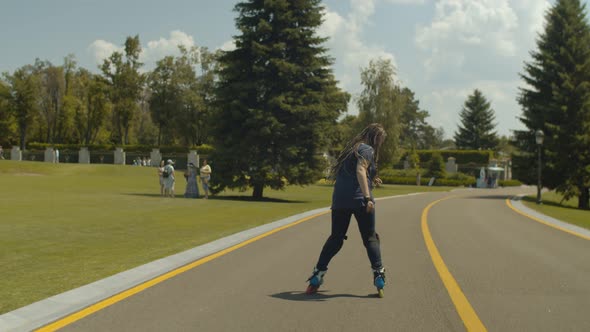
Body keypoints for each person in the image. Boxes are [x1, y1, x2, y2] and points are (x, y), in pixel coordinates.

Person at [306, 123, 387, 296]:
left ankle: (317, 275)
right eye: (380, 140)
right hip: (360, 201)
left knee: (336, 238)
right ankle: (378, 275)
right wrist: (367, 197)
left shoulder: (351, 149)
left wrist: (373, 178)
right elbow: (360, 170)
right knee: (370, 238)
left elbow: (355, 171)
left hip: (340, 201)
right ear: (375, 138)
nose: (380, 144)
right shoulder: (367, 149)